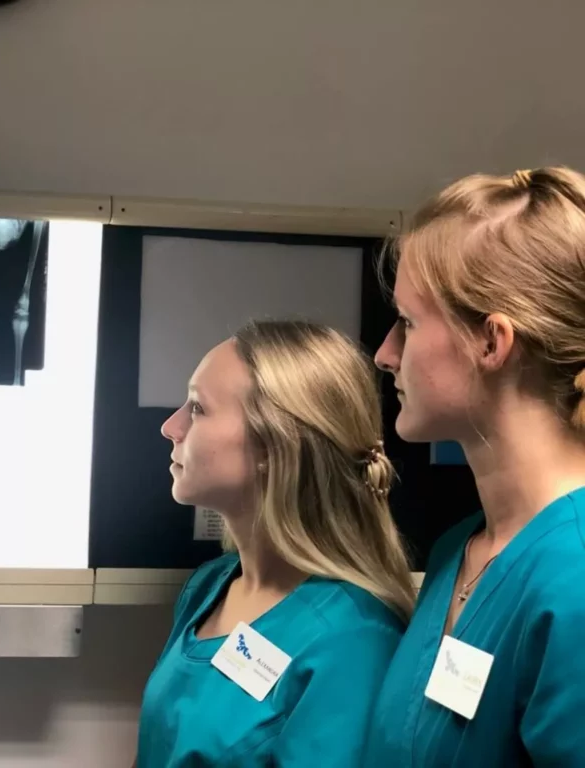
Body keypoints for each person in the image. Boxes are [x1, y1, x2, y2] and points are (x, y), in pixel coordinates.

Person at [362, 167, 585, 766]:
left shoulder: (575, 580)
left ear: (492, 343)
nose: (385, 354)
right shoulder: (456, 552)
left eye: (407, 323)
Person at [135, 320, 416, 767]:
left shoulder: (355, 640)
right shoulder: (210, 587)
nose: (171, 427)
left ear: (275, 444)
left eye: (197, 408)